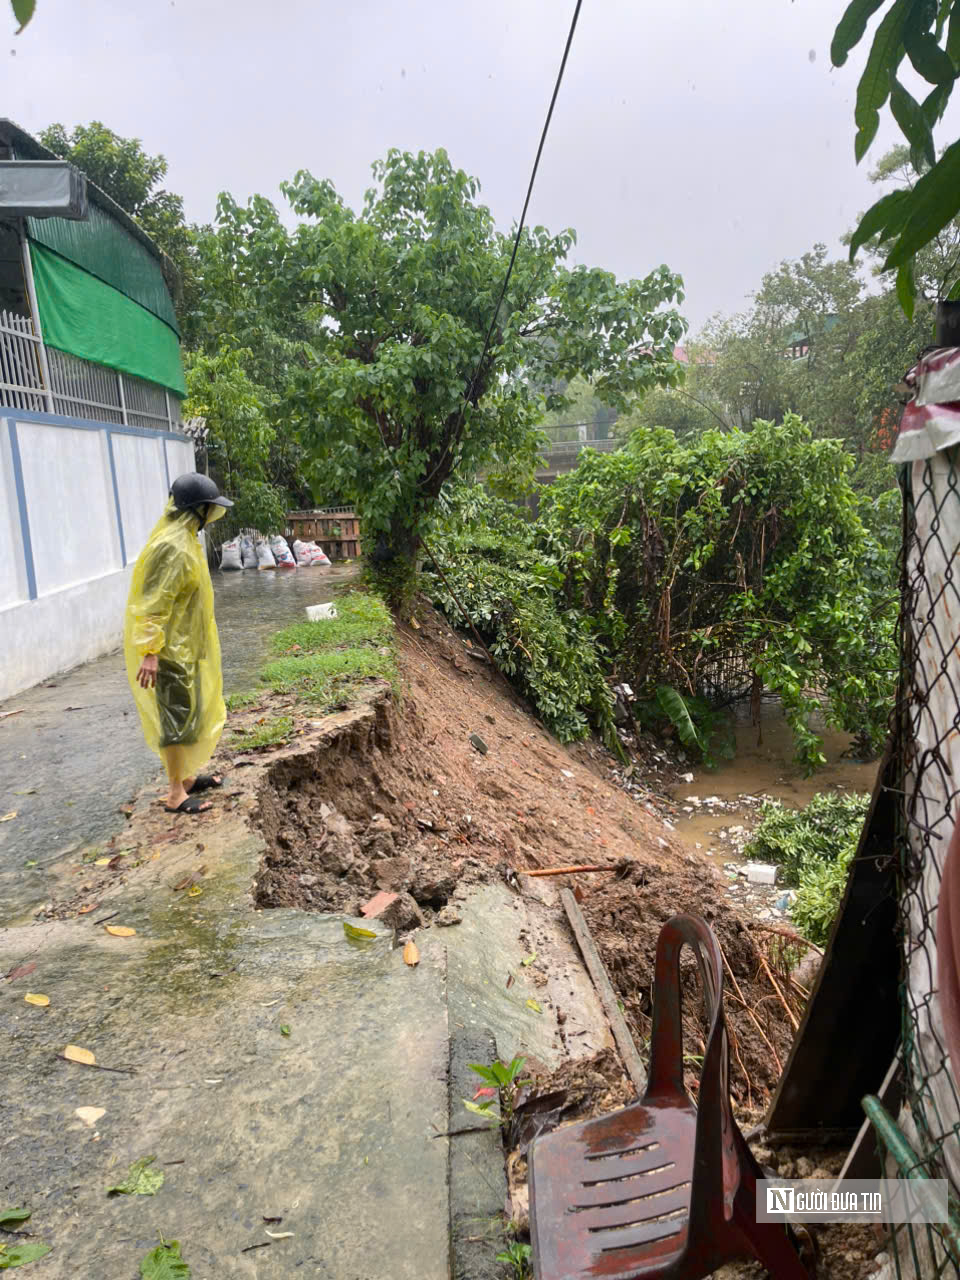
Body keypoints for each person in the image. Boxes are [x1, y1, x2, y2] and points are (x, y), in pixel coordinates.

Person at [124, 473, 233, 815]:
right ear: (196, 509)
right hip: (170, 653)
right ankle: (175, 794)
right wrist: (150, 652)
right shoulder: (171, 546)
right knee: (175, 719)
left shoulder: (185, 539)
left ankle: (185, 778)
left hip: (187, 648)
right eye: (208, 508)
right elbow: (153, 602)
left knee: (190, 713)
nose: (212, 515)